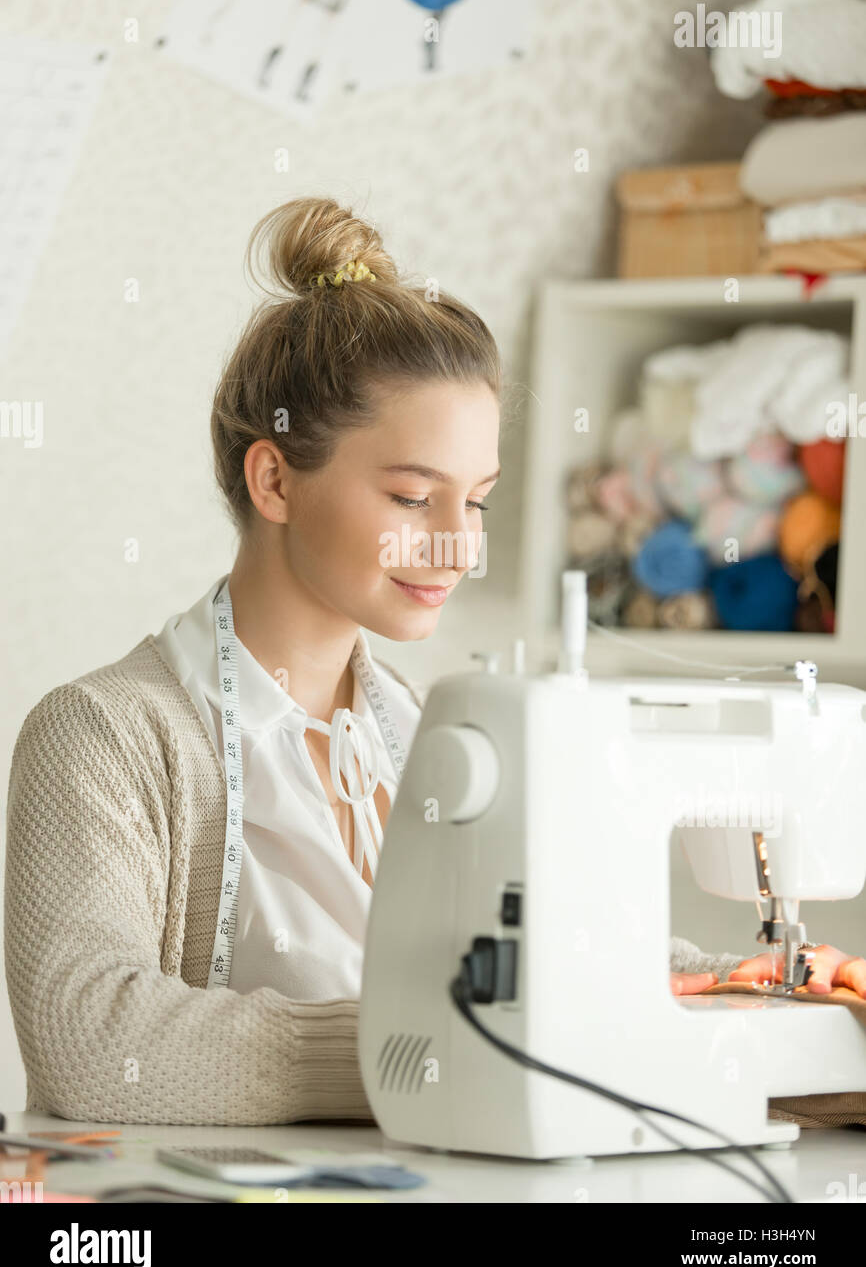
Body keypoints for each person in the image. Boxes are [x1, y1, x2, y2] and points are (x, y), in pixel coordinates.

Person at [5, 197, 865, 1128]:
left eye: (479, 502)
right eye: (416, 498)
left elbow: (560, 960)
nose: (460, 548)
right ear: (275, 479)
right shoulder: (105, 736)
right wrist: (445, 1046)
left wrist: (754, 996)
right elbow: (94, 1044)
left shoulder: (432, 735)